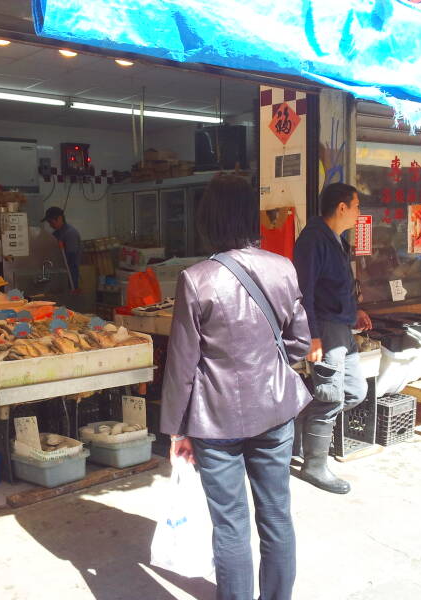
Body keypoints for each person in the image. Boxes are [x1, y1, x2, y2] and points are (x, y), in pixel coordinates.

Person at [161, 174, 311, 600]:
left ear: (207, 219)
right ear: (250, 216)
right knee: (277, 515)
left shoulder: (196, 279)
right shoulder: (283, 267)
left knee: (230, 525)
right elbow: (299, 343)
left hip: (216, 422)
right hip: (276, 411)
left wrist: (177, 428)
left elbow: (182, 365)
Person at [292, 182, 371, 494]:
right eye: (357, 206)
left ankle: (294, 433)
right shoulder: (313, 239)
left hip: (341, 327)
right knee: (329, 396)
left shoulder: (335, 239)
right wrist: (311, 336)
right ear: (342, 207)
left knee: (354, 390)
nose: (359, 212)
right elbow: (304, 293)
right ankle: (314, 465)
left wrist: (354, 312)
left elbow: (334, 287)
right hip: (324, 329)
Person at [42, 206, 81, 290]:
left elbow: (71, 256)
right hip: (59, 273)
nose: (50, 225)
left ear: (59, 218)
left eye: (51, 222)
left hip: (69, 275)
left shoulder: (70, 233)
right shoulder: (56, 234)